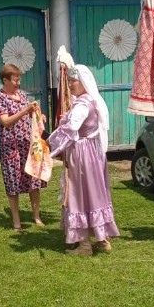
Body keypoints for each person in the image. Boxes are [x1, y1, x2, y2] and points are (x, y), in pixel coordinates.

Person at [48, 64, 119, 255]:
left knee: (79, 195)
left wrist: (49, 142)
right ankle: (102, 239)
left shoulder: (82, 104)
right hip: (93, 155)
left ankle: (85, 245)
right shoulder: (91, 100)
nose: (70, 84)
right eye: (69, 80)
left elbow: (72, 127)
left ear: (83, 82)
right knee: (95, 193)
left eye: (73, 81)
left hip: (82, 156)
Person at [0, 63, 46, 231]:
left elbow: (30, 112)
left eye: (19, 79)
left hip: (27, 144)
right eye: (16, 80)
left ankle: (36, 216)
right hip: (11, 148)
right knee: (13, 183)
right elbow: (5, 122)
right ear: (5, 80)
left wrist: (39, 115)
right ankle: (16, 221)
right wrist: (25, 111)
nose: (19, 83)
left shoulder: (22, 95)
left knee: (33, 180)